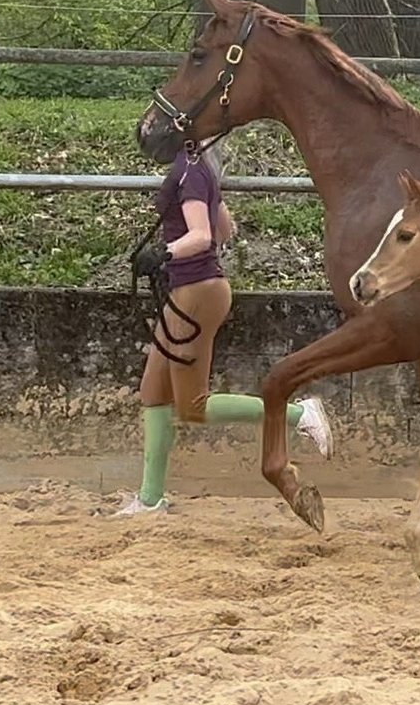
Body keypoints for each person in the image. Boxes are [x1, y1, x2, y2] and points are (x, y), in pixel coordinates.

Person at [115, 142, 334, 521]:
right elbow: (224, 228)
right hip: (194, 287)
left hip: (196, 292)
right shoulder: (199, 168)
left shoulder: (191, 170)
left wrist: (165, 254)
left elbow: (202, 236)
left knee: (193, 406)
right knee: (153, 391)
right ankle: (150, 499)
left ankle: (299, 413)